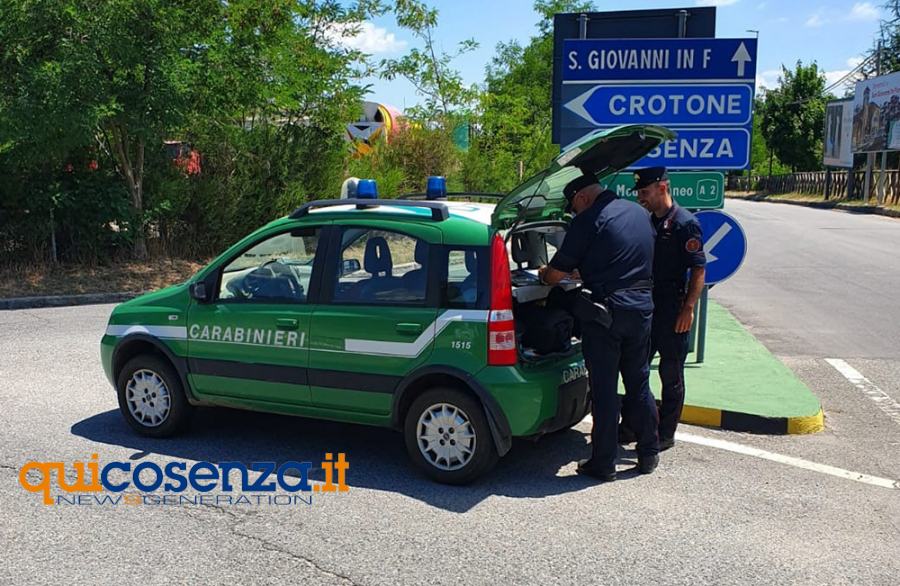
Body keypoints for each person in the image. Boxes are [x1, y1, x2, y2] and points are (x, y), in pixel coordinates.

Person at [538, 172, 660, 481]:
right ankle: (649, 453)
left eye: (573, 206)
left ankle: (603, 463)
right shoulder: (638, 212)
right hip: (643, 308)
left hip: (606, 313)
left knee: (604, 389)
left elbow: (555, 275)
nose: (574, 212)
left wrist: (543, 274)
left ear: (581, 198)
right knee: (639, 382)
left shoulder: (588, 219)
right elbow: (624, 256)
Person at [628, 167, 706, 451]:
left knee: (671, 374)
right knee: (636, 369)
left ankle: (666, 433)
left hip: (673, 308)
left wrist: (689, 308)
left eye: (645, 192)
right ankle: (636, 425)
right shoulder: (648, 222)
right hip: (647, 305)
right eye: (638, 192)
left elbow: (698, 270)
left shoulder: (685, 223)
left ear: (663, 188)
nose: (641, 198)